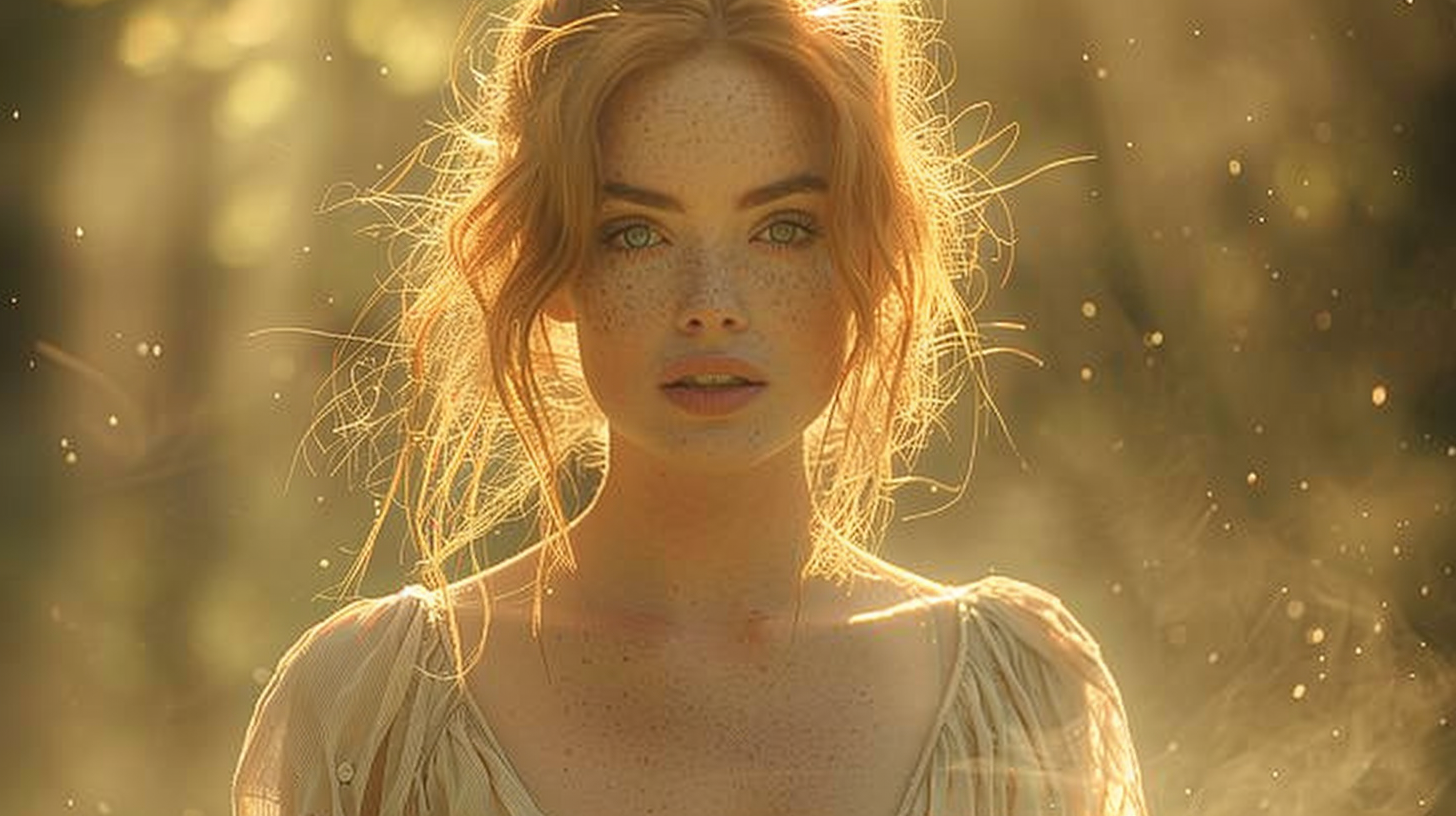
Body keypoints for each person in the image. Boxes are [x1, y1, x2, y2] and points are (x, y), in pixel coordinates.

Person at [232, 0, 1149, 813]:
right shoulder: (381, 710)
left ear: (866, 255)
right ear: (554, 266)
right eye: (635, 231)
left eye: (784, 228)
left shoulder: (1018, 697)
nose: (711, 299)